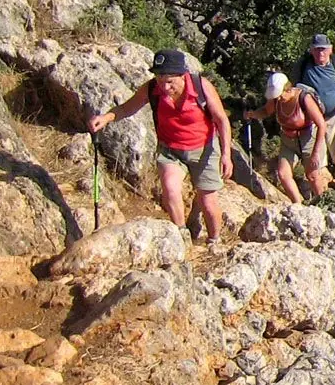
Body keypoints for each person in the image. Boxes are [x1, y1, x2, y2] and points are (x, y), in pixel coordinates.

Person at [88, 49, 234, 245]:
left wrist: (226, 155)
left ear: (183, 75)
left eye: (170, 81)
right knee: (170, 189)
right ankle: (182, 238)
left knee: (207, 200)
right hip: (171, 150)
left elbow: (221, 120)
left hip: (203, 148)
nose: (164, 86)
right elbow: (127, 108)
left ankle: (214, 240)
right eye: (160, 79)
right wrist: (105, 118)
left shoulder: (201, 86)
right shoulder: (151, 89)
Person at [245, 72, 329, 203]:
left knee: (312, 175)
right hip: (288, 140)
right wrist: (253, 114)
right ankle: (298, 205)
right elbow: (266, 111)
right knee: (283, 174)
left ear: (288, 89)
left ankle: (325, 204)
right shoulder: (276, 100)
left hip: (309, 139)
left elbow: (321, 125)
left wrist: (316, 153)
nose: (278, 99)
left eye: (280, 95)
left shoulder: (304, 98)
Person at [293, 34, 335, 189]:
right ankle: (319, 191)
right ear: (311, 50)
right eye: (316, 50)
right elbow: (294, 89)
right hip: (312, 119)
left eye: (323, 49)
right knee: (315, 157)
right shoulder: (303, 66)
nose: (320, 53)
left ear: (330, 50)